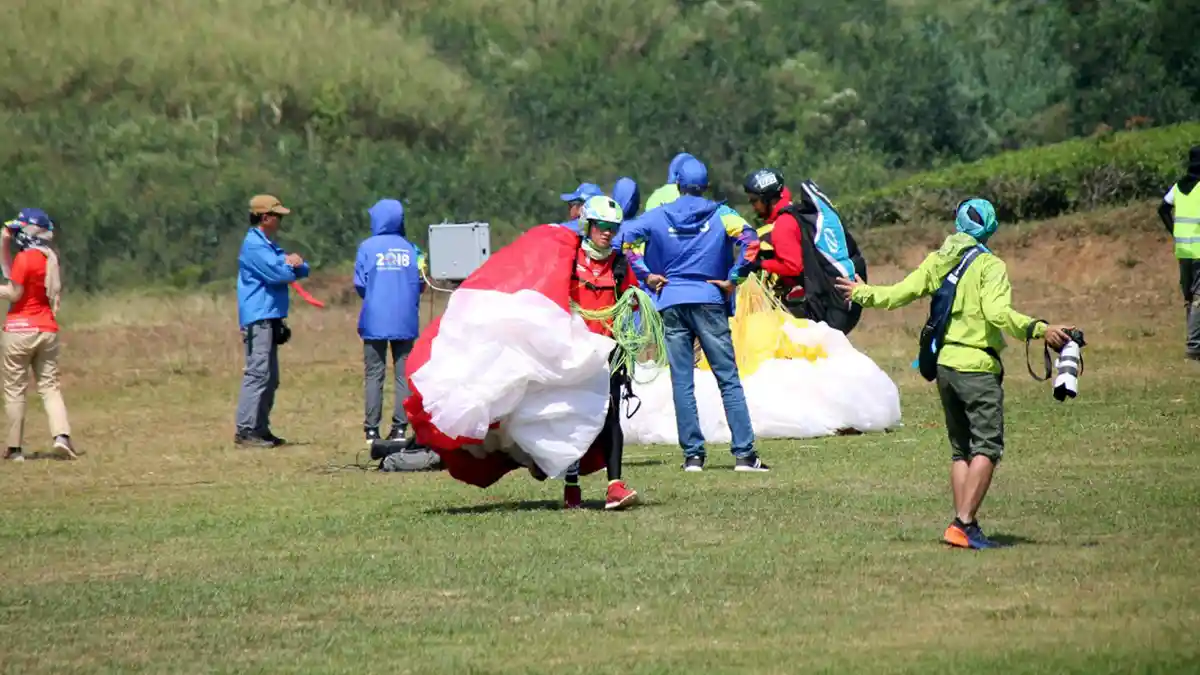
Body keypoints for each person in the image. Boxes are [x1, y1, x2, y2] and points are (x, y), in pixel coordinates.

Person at [835, 198, 1074, 549]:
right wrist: (1040, 329)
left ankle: (964, 525)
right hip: (977, 369)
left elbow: (900, 293)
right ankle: (963, 523)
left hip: (945, 367)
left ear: (959, 224)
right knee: (987, 446)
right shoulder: (990, 265)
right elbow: (998, 314)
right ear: (990, 228)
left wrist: (863, 293)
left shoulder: (941, 258)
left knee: (961, 450)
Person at [616, 157, 769, 472]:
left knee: (682, 380)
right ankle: (744, 454)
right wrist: (734, 278)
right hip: (710, 299)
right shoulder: (722, 215)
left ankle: (693, 456)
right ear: (705, 185)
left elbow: (626, 241)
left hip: (671, 301)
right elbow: (751, 241)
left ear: (677, 185)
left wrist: (646, 275)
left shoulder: (658, 215)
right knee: (727, 378)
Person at [560, 195, 642, 509]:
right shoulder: (570, 259)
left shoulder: (619, 264)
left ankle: (614, 486)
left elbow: (633, 301)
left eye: (613, 228)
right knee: (574, 415)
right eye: (602, 226)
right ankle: (571, 484)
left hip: (609, 350)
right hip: (575, 350)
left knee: (611, 415)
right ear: (588, 225)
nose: (607, 233)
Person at [234, 194, 309, 448]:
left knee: (270, 377)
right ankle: (246, 430)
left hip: (271, 316)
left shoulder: (268, 245)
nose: (280, 220)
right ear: (265, 217)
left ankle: (260, 429)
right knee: (258, 374)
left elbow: (301, 269)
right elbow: (279, 273)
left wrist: (295, 264)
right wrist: (291, 264)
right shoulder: (255, 246)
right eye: (277, 215)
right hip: (259, 317)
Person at [0, 209, 73, 461]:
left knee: (15, 390)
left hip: (19, 331)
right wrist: (5, 240)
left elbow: (14, 292)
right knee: (50, 388)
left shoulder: (24, 259)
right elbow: (10, 273)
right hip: (46, 329)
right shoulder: (49, 258)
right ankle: (62, 437)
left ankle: (14, 449)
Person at [354, 198, 425, 444]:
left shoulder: (366, 247)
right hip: (405, 319)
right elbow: (421, 282)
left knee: (374, 374)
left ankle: (371, 430)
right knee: (403, 375)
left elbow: (360, 284)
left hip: (374, 319)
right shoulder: (412, 248)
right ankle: (400, 428)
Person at [743, 168, 806, 316]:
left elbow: (793, 267)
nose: (753, 206)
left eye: (754, 200)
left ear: (768, 199)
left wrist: (760, 264)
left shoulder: (783, 224)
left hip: (804, 298)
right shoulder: (792, 211)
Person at [1157, 145, 1200, 360]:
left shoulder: (1179, 186)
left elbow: (1163, 209)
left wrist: (1175, 231)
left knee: (1190, 297)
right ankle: (1194, 346)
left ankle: (1193, 340)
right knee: (1199, 298)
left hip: (1183, 250)